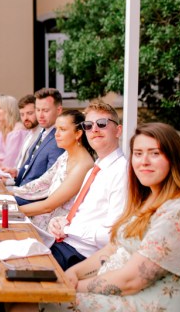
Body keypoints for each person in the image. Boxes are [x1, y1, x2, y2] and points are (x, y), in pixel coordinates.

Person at [43, 123, 180, 311]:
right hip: (115, 296)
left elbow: (132, 280)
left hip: (141, 304)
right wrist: (73, 273)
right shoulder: (148, 200)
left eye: (155, 153)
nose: (144, 161)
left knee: (33, 301)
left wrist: (74, 287)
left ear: (174, 158)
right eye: (138, 153)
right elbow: (112, 249)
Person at [48, 101, 128, 271]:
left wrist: (69, 228)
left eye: (102, 124)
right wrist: (59, 222)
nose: (95, 130)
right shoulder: (96, 168)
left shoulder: (123, 172)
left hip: (83, 258)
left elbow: (112, 235)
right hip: (63, 245)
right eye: (88, 125)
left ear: (118, 131)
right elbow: (83, 215)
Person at [14, 110, 95, 230]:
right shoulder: (66, 155)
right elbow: (41, 183)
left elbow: (48, 206)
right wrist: (9, 192)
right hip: (43, 218)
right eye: (56, 129)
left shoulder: (83, 165)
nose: (56, 134)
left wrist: (10, 211)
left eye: (62, 129)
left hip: (57, 229)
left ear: (78, 134)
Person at [14, 88, 65, 204]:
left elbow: (49, 184)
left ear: (59, 110)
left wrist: (14, 193)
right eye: (37, 110)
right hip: (20, 191)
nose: (40, 115)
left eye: (45, 110)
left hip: (32, 201)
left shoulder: (59, 139)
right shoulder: (44, 131)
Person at [1, 94, 43, 184]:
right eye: (22, 114)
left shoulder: (42, 135)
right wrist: (14, 171)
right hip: (16, 181)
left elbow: (35, 174)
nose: (25, 118)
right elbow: (21, 167)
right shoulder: (28, 135)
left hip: (24, 188)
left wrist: (10, 181)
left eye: (30, 113)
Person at [0, 95, 26, 169]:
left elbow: (11, 162)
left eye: (0, 108)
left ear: (9, 110)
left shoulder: (18, 130)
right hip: (2, 169)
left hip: (11, 173)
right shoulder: (4, 128)